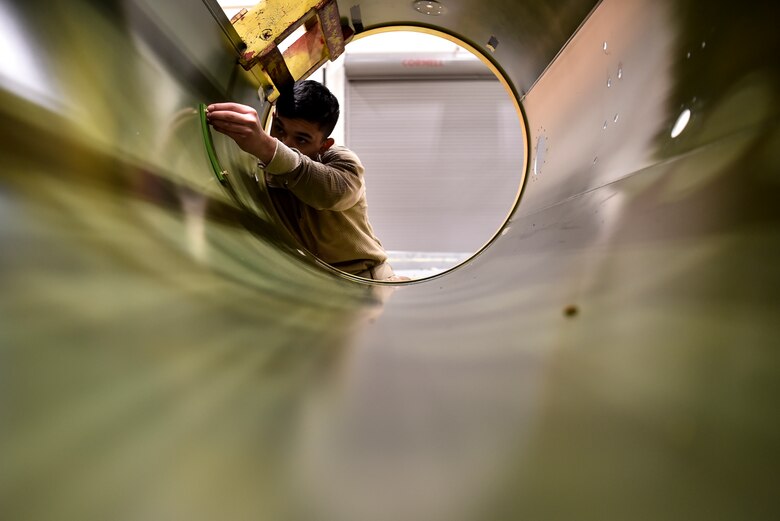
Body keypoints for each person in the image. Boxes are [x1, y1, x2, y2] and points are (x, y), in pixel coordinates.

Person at [207, 80, 399, 281]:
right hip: (313, 285)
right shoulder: (261, 167)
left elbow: (333, 193)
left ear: (324, 146)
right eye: (279, 129)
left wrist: (267, 147)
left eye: (302, 140)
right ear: (273, 118)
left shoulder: (342, 161)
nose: (285, 143)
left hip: (367, 280)